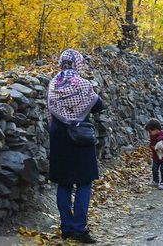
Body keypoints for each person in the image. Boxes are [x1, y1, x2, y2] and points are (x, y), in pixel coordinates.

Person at [48, 49, 105, 244]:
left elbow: (51, 111)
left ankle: (66, 227)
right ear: (77, 63)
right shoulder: (83, 84)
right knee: (84, 182)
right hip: (80, 138)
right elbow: (99, 105)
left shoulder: (53, 83)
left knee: (63, 183)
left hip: (58, 137)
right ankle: (79, 229)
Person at [145, 119, 163, 190]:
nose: (149, 133)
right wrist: (153, 148)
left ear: (156, 129)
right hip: (156, 156)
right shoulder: (152, 136)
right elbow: (151, 144)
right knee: (154, 169)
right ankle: (155, 181)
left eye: (150, 131)